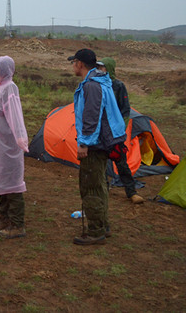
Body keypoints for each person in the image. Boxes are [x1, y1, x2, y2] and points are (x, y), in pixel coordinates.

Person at [69, 49, 126, 246]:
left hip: (95, 144)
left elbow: (91, 117)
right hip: (103, 142)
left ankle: (95, 231)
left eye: (74, 62)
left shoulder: (92, 86)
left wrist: (84, 143)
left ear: (80, 63)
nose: (73, 66)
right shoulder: (100, 81)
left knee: (90, 186)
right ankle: (103, 225)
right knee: (100, 184)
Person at [0, 56, 29, 239]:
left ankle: (17, 224)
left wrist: (21, 139)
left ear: (4, 70)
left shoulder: (10, 88)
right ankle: (4, 217)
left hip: (8, 146)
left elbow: (15, 116)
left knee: (12, 184)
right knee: (2, 182)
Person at [96, 58, 144, 205]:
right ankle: (104, 189)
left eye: (102, 67)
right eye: (98, 67)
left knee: (121, 162)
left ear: (109, 68)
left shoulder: (118, 86)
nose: (99, 70)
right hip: (100, 131)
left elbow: (125, 109)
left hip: (115, 132)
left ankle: (131, 192)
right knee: (101, 163)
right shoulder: (96, 84)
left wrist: (121, 128)